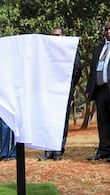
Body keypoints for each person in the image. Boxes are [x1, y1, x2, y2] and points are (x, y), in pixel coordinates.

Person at [39, 27, 82, 161]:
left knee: (62, 121)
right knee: (48, 120)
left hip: (63, 91)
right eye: (54, 36)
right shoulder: (47, 52)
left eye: (58, 35)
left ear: (63, 36)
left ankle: (58, 150)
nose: (56, 38)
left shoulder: (70, 49)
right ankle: (48, 151)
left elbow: (77, 69)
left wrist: (69, 86)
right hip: (49, 91)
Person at [86, 21, 110, 161]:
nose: (108, 32)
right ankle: (103, 151)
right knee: (102, 123)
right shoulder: (98, 49)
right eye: (106, 29)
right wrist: (90, 89)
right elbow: (93, 72)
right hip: (100, 90)